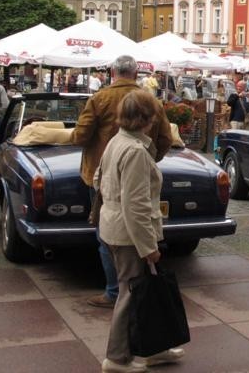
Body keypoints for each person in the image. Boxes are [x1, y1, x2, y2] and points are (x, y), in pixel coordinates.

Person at [72, 55, 172, 310]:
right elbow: (165, 139)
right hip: (138, 169)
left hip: (102, 172)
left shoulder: (99, 98)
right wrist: (151, 159)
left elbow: (80, 136)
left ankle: (114, 291)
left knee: (107, 235)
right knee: (137, 225)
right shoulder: (151, 101)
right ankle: (128, 291)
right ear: (136, 73)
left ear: (113, 72)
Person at [97, 90, 185, 372]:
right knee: (131, 292)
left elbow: (99, 179)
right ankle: (117, 358)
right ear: (148, 118)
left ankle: (153, 348)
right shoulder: (134, 150)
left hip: (115, 227)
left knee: (142, 291)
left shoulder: (118, 141)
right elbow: (134, 205)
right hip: (128, 234)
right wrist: (149, 247)